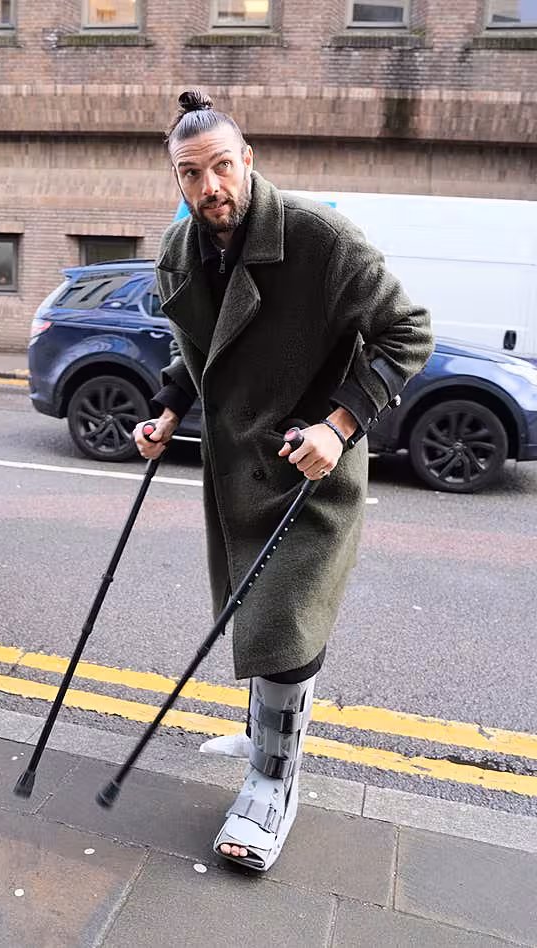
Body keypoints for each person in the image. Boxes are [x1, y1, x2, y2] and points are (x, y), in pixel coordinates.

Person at [134, 89, 434, 871]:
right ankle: (268, 726)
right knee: (252, 616)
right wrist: (168, 407)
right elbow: (202, 348)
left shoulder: (320, 240)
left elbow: (408, 332)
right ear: (177, 178)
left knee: (285, 625)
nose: (211, 188)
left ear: (248, 160)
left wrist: (340, 427)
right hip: (237, 468)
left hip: (310, 467)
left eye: (223, 167)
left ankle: (273, 782)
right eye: (191, 174)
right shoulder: (183, 250)